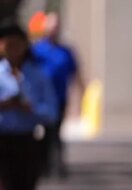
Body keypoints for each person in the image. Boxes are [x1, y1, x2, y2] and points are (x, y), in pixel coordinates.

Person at [0, 23, 57, 190]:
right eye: (6, 44)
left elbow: (50, 112)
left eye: (16, 44)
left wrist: (29, 108)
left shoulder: (36, 75)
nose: (11, 50)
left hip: (25, 143)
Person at [30, 12, 82, 179]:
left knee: (56, 132)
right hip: (42, 99)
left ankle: (58, 166)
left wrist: (80, 97)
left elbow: (76, 74)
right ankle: (43, 165)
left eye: (56, 27)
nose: (54, 30)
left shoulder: (66, 51)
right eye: (51, 27)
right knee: (45, 132)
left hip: (60, 98)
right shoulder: (37, 50)